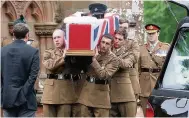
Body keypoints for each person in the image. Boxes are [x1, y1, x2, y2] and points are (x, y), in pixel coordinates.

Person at [1, 23, 40, 117]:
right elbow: (33, 77)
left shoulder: (2, 51)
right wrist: (23, 93)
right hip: (26, 100)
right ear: (27, 35)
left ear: (13, 34)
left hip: (7, 98)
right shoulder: (33, 51)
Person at [76, 34, 119, 117]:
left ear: (111, 45)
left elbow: (104, 75)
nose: (104, 45)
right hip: (87, 92)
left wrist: (93, 60)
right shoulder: (91, 53)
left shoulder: (114, 59)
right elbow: (80, 67)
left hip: (101, 95)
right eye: (102, 42)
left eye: (107, 44)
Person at [41, 29, 79, 117]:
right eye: (54, 38)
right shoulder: (48, 52)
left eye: (59, 37)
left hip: (66, 91)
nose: (56, 40)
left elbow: (78, 67)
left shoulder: (72, 53)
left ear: (65, 38)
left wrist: (69, 52)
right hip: (50, 93)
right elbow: (50, 66)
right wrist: (63, 57)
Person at [139, 24, 170, 116]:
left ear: (158, 33)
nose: (151, 35)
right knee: (146, 114)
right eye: (149, 34)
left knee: (160, 113)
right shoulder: (141, 48)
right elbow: (137, 70)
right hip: (144, 86)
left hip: (159, 85)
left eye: (153, 33)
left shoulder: (166, 47)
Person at [110, 28, 137, 117]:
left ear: (125, 41)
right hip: (109, 97)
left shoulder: (129, 53)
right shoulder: (107, 50)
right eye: (115, 38)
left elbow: (126, 64)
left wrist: (111, 55)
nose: (117, 41)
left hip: (125, 97)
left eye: (120, 39)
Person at [119, 18, 141, 101]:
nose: (122, 30)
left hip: (130, 80)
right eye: (120, 27)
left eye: (125, 28)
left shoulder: (133, 43)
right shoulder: (114, 42)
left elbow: (134, 58)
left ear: (128, 29)